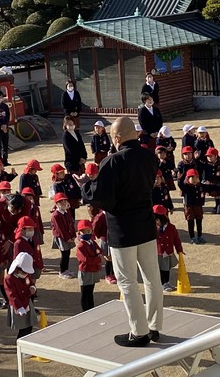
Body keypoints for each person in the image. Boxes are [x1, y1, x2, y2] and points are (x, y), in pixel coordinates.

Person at [81, 116, 163, 347]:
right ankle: (154, 326)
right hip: (146, 225)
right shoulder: (148, 156)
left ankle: (139, 332)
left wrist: (86, 185)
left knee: (127, 282)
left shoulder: (112, 161)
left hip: (122, 230)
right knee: (152, 278)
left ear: (117, 138)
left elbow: (101, 197)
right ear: (135, 134)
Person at [4, 252, 38, 339]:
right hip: (18, 306)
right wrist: (19, 307)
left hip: (27, 302)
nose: (25, 274)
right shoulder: (9, 279)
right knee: (23, 328)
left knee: (29, 325)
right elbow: (11, 295)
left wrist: (33, 288)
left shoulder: (26, 275)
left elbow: (30, 283)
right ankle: (21, 344)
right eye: (23, 272)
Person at [153, 205, 182, 292]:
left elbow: (176, 239)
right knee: (158, 269)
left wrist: (179, 249)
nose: (156, 222)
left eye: (157, 220)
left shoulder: (171, 227)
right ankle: (162, 284)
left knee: (166, 268)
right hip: (157, 252)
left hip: (167, 252)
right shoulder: (152, 228)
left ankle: (166, 282)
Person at [76, 219, 102, 310]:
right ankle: (85, 309)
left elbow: (99, 250)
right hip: (86, 271)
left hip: (93, 270)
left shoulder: (92, 242)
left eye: (89, 231)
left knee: (91, 290)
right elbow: (85, 259)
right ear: (80, 233)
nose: (87, 233)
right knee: (85, 292)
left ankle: (91, 307)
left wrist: (99, 255)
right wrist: (98, 259)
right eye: (84, 231)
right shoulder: (81, 246)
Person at [87, 204, 115, 284]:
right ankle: (108, 275)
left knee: (113, 257)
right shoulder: (100, 217)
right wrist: (100, 236)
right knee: (108, 258)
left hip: (113, 239)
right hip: (106, 240)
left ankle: (113, 273)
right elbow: (95, 228)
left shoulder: (111, 214)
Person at [50, 193, 76, 279]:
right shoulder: (56, 215)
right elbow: (59, 229)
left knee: (67, 253)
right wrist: (67, 238)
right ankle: (62, 271)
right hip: (62, 237)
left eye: (65, 201)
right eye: (61, 202)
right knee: (64, 253)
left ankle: (66, 269)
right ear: (57, 204)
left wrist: (73, 235)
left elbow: (71, 223)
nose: (64, 203)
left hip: (68, 236)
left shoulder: (67, 211)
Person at [178, 168, 206, 244]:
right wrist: (182, 175)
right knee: (191, 222)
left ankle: (199, 236)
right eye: (192, 178)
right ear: (188, 179)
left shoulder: (200, 186)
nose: (194, 179)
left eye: (196, 177)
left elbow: (210, 187)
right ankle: (192, 237)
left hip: (198, 207)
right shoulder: (186, 187)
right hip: (189, 207)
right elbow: (180, 184)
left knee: (199, 222)